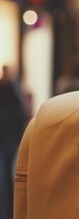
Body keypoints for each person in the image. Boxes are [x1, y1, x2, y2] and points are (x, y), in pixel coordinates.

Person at [0, 65, 28, 219]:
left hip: (9, 139)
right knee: (9, 176)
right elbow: (21, 113)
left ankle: (8, 211)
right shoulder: (13, 92)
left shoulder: (12, 91)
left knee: (9, 177)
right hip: (9, 139)